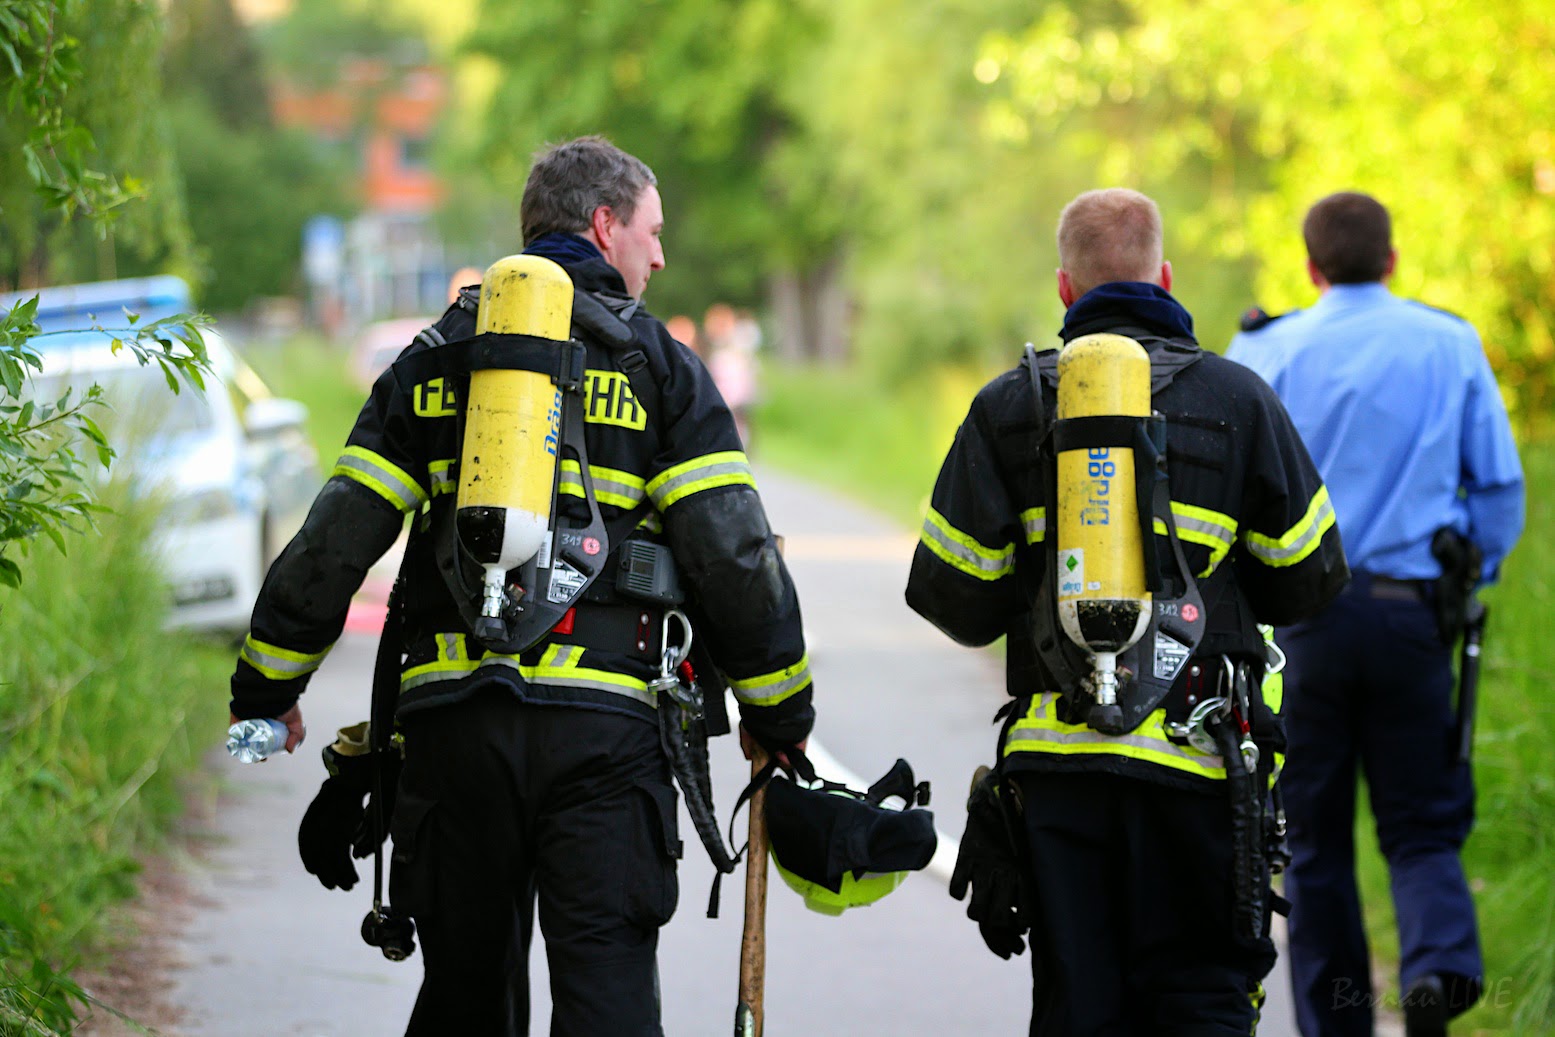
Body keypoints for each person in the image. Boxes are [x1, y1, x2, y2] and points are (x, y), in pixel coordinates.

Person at [227, 135, 815, 1036]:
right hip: (606, 743)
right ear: (604, 223)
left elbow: (335, 540)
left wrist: (267, 688)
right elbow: (733, 558)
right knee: (606, 999)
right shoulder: (661, 369)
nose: (659, 254)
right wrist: (779, 720)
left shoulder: (432, 360)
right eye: (651, 232)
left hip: (453, 732)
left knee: (465, 998)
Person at [907, 188, 1348, 1036]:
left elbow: (952, 594)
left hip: (1059, 776)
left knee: (1079, 1006)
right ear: (1166, 276)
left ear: (1066, 289)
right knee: (1202, 997)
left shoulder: (1009, 405)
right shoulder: (1240, 400)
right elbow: (1309, 580)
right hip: (1201, 763)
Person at [1228, 192, 1524, 1037]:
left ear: (1311, 268)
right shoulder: (1449, 341)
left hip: (1303, 631)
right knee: (1422, 823)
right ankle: (1433, 968)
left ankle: (1340, 1024)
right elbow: (1499, 490)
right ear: (1391, 260)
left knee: (1315, 844)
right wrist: (1467, 563)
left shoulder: (1264, 349)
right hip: (1409, 617)